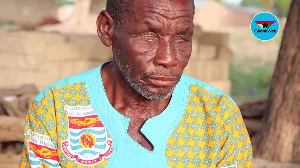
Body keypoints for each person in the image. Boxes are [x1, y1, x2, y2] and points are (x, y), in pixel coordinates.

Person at [20, 0, 253, 167]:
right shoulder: (55, 107)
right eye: (148, 36)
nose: (169, 58)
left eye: (182, 37)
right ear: (107, 29)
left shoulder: (219, 117)